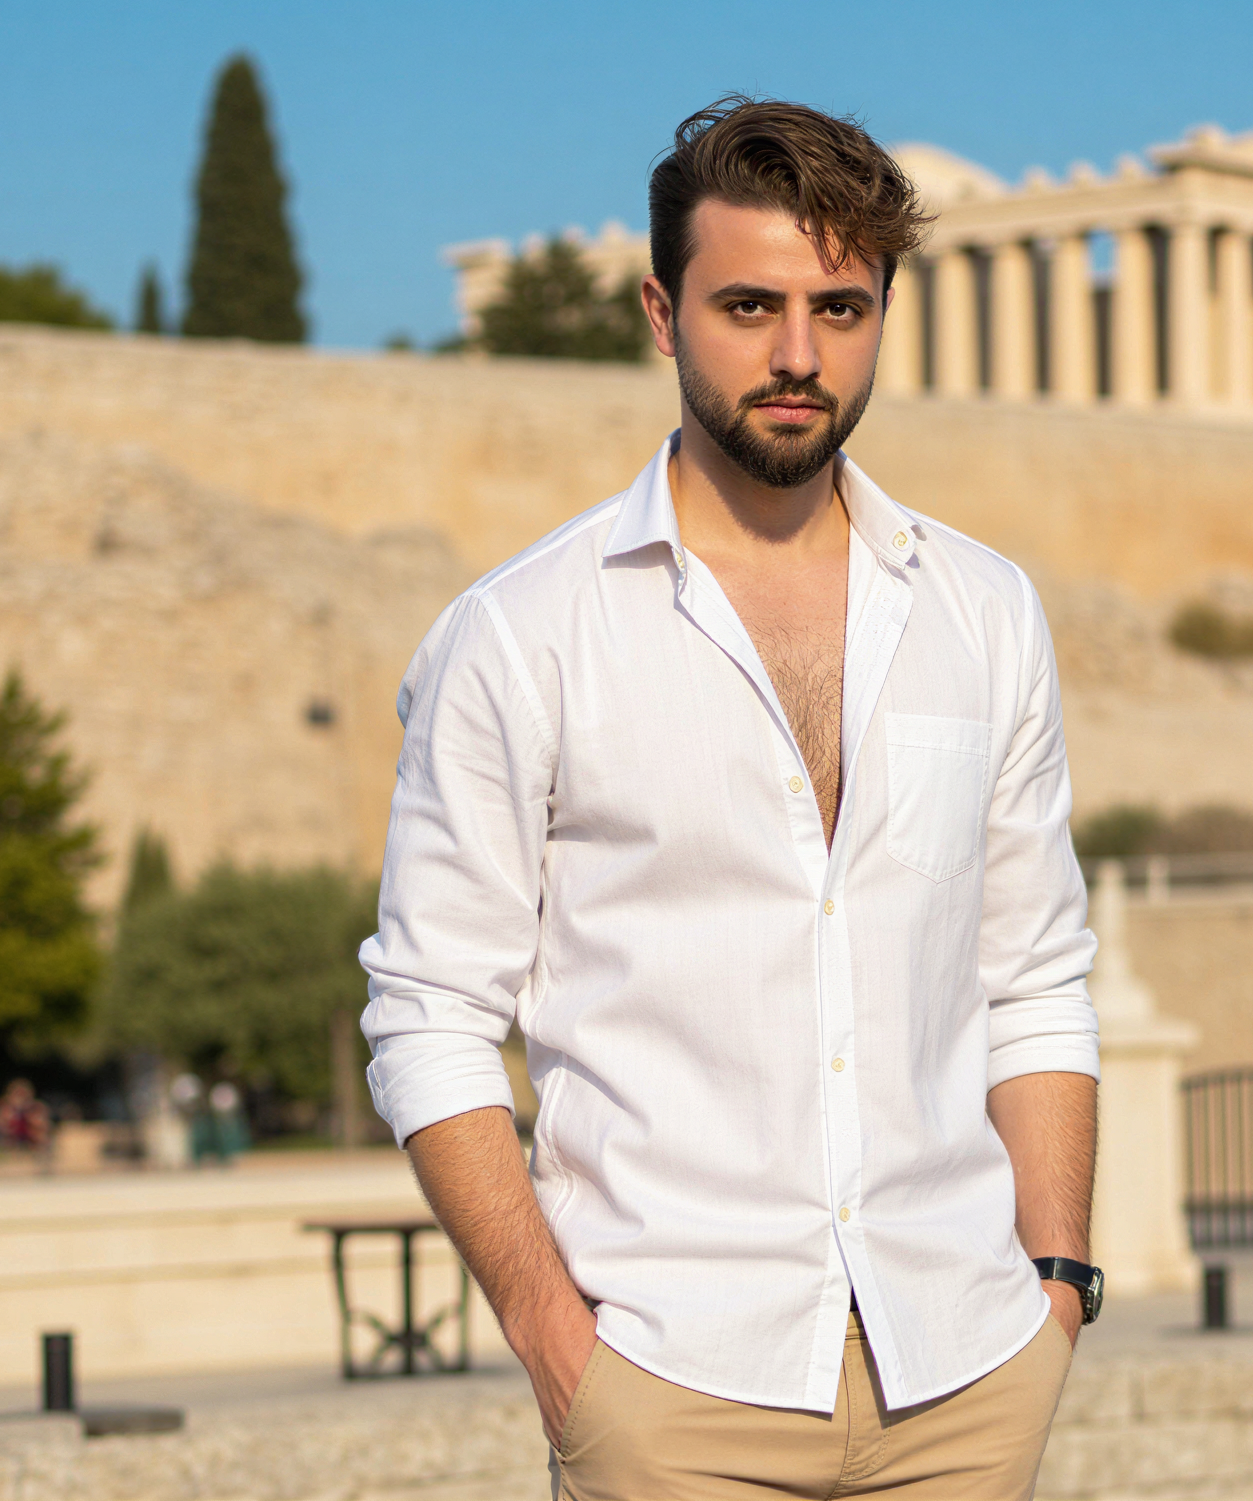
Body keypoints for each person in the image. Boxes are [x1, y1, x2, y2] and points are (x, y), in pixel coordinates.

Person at [360, 97, 1101, 1501]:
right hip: (668, 1392)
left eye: (840, 308)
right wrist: (555, 1342)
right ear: (663, 313)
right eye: (750, 306)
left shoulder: (986, 612)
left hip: (969, 1374)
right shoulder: (523, 636)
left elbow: (1036, 977)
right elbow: (428, 1012)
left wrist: (1056, 1280)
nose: (798, 356)